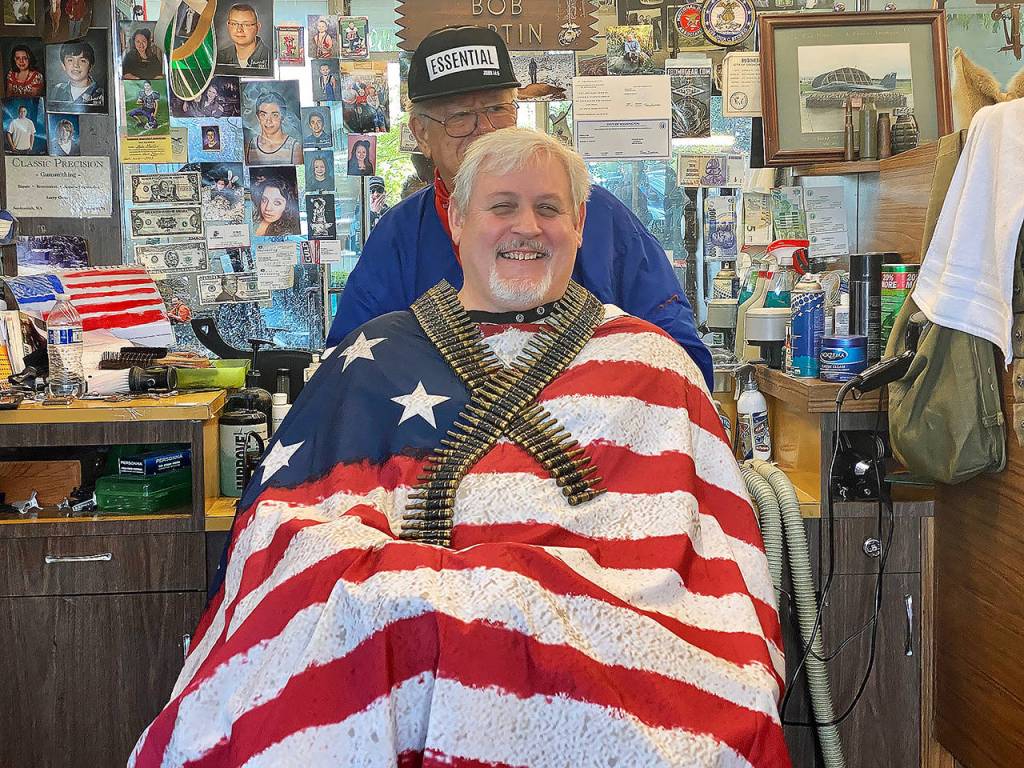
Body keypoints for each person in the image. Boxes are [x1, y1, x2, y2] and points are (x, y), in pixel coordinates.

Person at [130, 128, 787, 767]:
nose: (526, 226)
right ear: (457, 221)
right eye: (502, 206)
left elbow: (696, 558)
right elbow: (294, 528)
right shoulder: (374, 359)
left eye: (548, 208)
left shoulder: (651, 361)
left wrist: (521, 604)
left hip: (605, 644)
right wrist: (417, 594)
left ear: (580, 224)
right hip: (396, 640)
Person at [325, 25, 712, 388]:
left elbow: (682, 359)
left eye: (497, 109)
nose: (485, 129)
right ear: (421, 134)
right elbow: (348, 375)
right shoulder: (398, 236)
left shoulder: (596, 214)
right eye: (461, 116)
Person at [245, 91, 302, 165]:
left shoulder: (295, 147)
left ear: (283, 117)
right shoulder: (250, 145)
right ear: (258, 117)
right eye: (263, 115)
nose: (268, 120)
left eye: (274, 115)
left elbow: (300, 175)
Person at [48, 41, 105, 111]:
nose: (76, 65)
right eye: (70, 60)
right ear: (63, 65)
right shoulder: (56, 90)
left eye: (82, 61)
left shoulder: (101, 94)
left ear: (90, 66)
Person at [216, 3, 271, 70]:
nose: (239, 30)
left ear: (258, 27)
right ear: (228, 26)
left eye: (246, 24)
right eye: (234, 23)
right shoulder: (218, 58)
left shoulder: (271, 57)